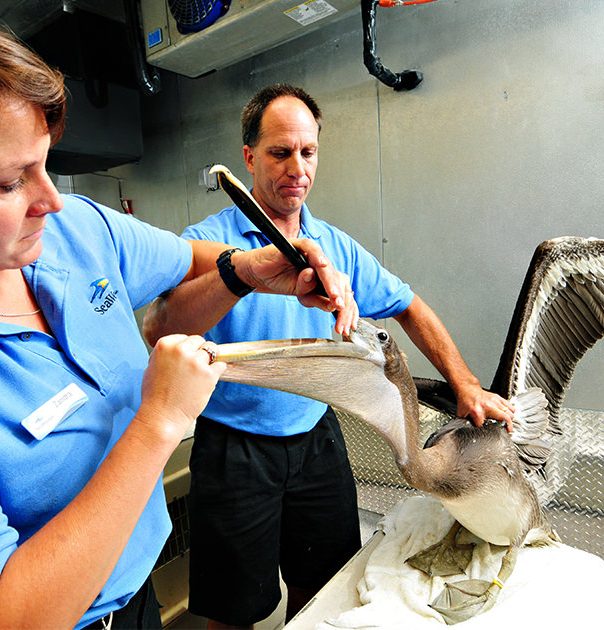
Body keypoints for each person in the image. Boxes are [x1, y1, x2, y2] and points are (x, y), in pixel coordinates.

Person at [0, 5, 358, 630]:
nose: (50, 199)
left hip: (135, 597)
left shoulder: (72, 232)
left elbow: (185, 258)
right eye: (9, 183)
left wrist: (249, 267)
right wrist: (158, 422)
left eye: (44, 162)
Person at [143, 84, 515, 629]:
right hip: (234, 450)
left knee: (323, 588)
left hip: (316, 439)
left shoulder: (335, 247)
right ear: (249, 157)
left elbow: (409, 305)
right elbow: (163, 329)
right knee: (232, 609)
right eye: (279, 152)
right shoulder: (207, 241)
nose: (297, 166)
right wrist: (243, 273)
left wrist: (464, 383)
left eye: (308, 151)